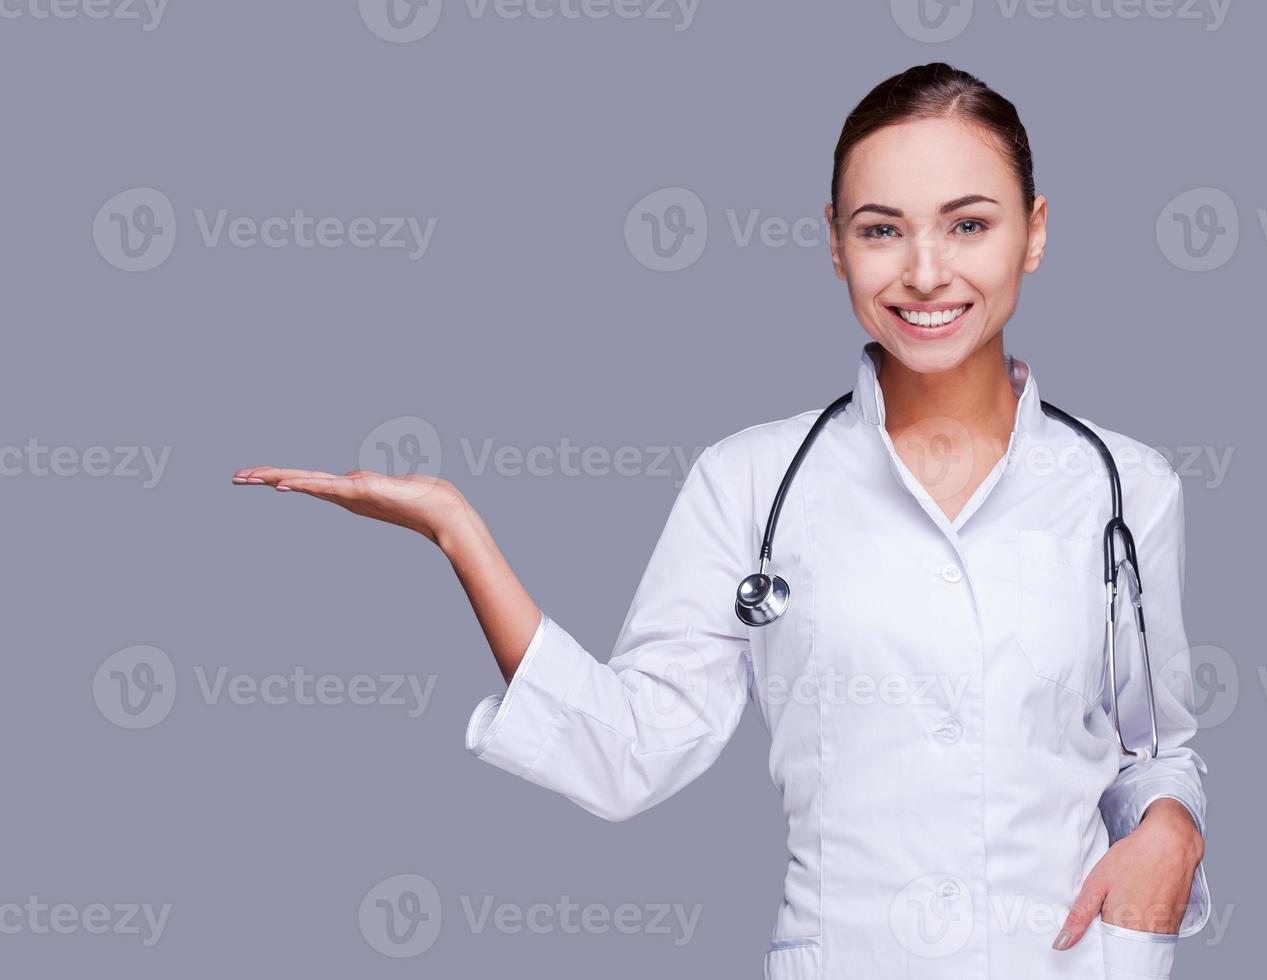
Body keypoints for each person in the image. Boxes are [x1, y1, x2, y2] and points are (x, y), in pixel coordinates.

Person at [232, 62, 1210, 980]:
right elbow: (624, 753)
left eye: (968, 225)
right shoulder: (748, 480)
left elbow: (1152, 747)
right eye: (880, 229)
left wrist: (1173, 822)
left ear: (1033, 232)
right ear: (833, 241)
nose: (923, 271)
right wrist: (457, 529)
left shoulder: (1126, 487)